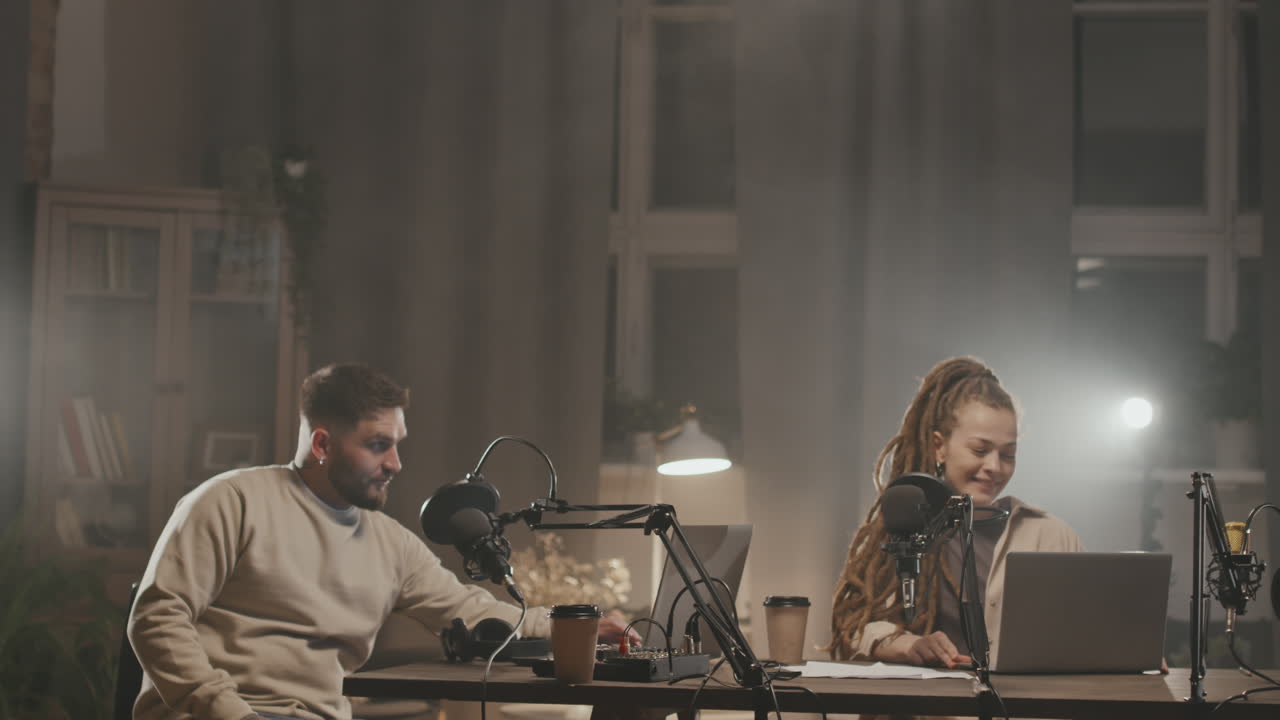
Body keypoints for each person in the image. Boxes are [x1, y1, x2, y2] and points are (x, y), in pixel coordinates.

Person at [128, 363, 634, 720]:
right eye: (377, 445)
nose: (395, 463)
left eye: (397, 444)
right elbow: (156, 619)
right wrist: (233, 715)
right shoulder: (230, 501)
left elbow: (470, 610)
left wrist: (579, 624)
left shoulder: (389, 543)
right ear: (323, 444)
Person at [827, 356, 1084, 669]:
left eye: (1008, 454)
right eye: (979, 450)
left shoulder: (1053, 536)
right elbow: (852, 625)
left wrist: (1131, 659)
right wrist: (910, 645)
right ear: (940, 447)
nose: (994, 467)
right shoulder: (902, 527)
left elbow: (1083, 636)